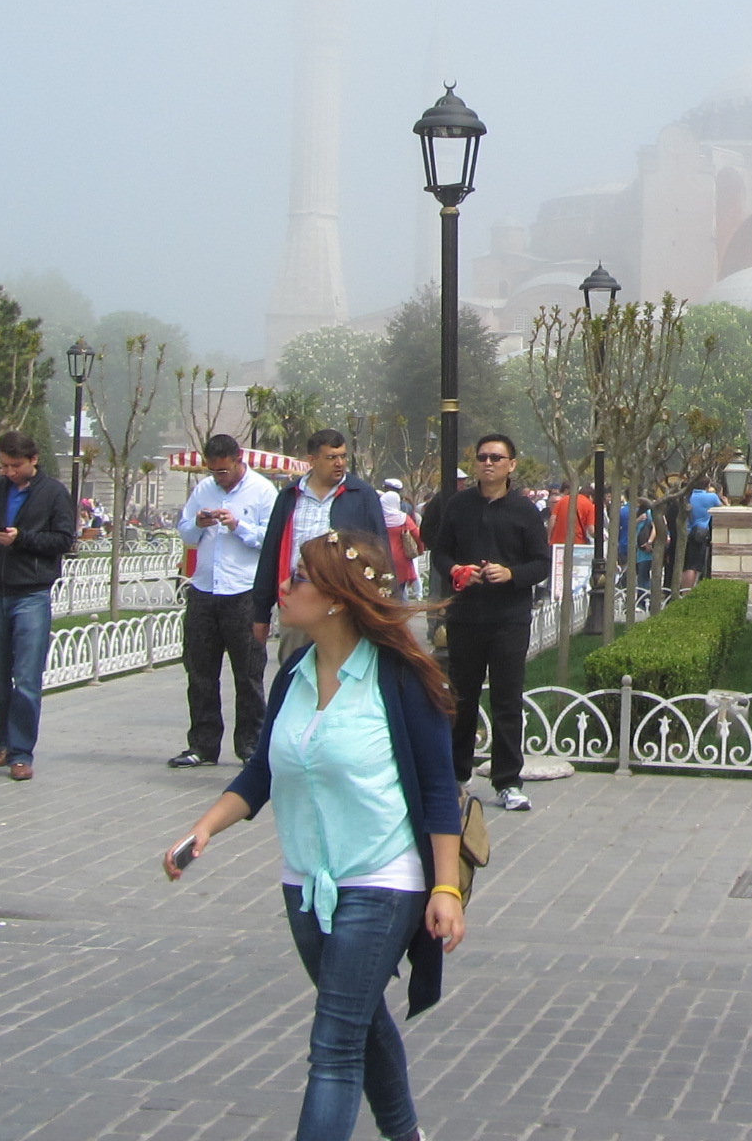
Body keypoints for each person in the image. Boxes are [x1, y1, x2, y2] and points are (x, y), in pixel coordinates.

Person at [160, 529, 466, 1141]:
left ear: (336, 600)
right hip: (305, 883)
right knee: (359, 1021)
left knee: (334, 1043)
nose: (283, 586)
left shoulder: (402, 678)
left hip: (383, 880)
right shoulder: (295, 673)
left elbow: (439, 791)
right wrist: (204, 829)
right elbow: (262, 773)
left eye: (298, 578)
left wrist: (446, 889)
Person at [418, 432, 550, 810]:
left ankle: (507, 781)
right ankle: (457, 775)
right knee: (461, 698)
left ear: (511, 465)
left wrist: (511, 574)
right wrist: (456, 570)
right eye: (482, 457)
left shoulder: (524, 510)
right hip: (466, 616)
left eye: (496, 458)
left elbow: (541, 563)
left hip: (509, 618)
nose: (488, 463)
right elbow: (440, 552)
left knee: (507, 700)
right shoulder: (458, 505)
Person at [0, 431, 78, 780]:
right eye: (4, 466)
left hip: (31, 592)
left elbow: (63, 540)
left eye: (15, 465)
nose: (9, 472)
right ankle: (2, 740)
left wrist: (22, 539)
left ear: (33, 460)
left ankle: (21, 752)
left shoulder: (54, 493)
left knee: (27, 678)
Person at [173, 433, 278, 768]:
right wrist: (198, 523)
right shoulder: (204, 489)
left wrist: (238, 525)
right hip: (205, 589)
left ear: (238, 460)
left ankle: (250, 745)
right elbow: (185, 533)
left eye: (224, 470)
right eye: (213, 470)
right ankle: (202, 745)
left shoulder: (262, 491)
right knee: (200, 671)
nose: (219, 477)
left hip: (243, 591)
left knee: (248, 673)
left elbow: (272, 538)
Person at [252, 431, 391, 651]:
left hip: (344, 605)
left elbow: (380, 550)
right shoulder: (290, 496)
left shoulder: (361, 495)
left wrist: (385, 605)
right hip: (299, 602)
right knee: (294, 664)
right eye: (331, 457)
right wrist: (261, 613)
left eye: (343, 456)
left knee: (342, 666)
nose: (339, 463)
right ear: (312, 460)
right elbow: (271, 553)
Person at [684, 477, 721, 580]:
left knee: (686, 565)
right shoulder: (712, 497)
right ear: (708, 485)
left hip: (686, 532)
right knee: (694, 566)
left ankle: (683, 588)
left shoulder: (687, 496)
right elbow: (722, 510)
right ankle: (689, 588)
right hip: (701, 533)